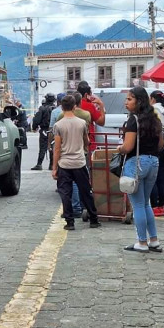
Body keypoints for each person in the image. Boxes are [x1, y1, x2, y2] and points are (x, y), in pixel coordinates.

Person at [114, 87, 164, 252]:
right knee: (146, 203)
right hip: (153, 162)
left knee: (138, 205)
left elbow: (128, 147)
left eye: (129, 99)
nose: (126, 102)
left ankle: (142, 242)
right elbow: (161, 144)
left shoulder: (133, 120)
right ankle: (154, 240)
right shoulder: (155, 119)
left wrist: (119, 149)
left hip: (135, 164)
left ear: (139, 101)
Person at [51, 95, 100, 230]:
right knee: (86, 191)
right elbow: (87, 141)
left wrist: (54, 168)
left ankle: (69, 222)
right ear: (74, 107)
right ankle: (94, 219)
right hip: (79, 162)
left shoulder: (58, 125)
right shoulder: (82, 123)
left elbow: (57, 149)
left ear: (61, 107)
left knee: (65, 193)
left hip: (64, 164)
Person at [149, 91, 164, 217]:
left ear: (152, 99)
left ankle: (154, 206)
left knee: (152, 178)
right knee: (162, 177)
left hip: (156, 147)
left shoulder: (152, 110)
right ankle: (161, 206)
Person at [76, 81, 106, 147]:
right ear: (86, 95)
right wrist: (101, 104)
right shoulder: (89, 106)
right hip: (88, 143)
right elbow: (101, 122)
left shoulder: (72, 105)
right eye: (91, 94)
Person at [31, 93, 57, 170]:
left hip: (44, 130)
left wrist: (34, 127)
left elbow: (37, 119)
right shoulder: (56, 109)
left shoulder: (42, 108)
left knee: (42, 147)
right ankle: (51, 165)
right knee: (52, 147)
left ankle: (39, 164)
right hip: (54, 130)